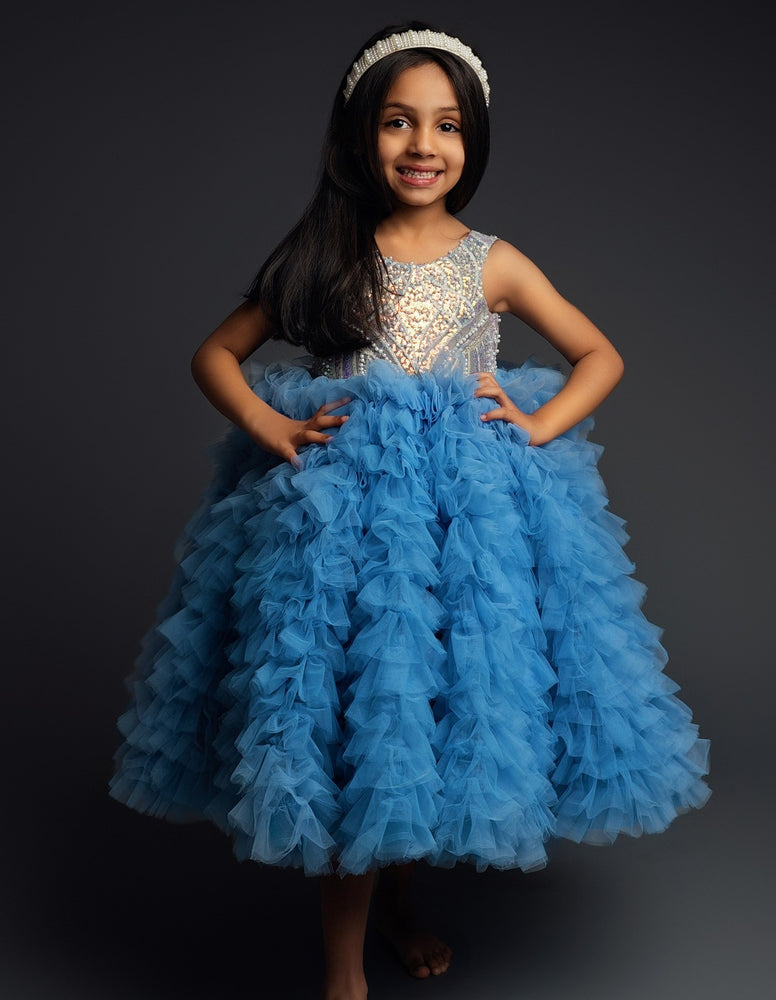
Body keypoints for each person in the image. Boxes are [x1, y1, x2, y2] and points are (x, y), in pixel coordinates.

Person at [109, 22, 711, 1000]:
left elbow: (598, 354)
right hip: (345, 524)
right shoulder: (324, 252)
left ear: (470, 142)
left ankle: (396, 902)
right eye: (397, 123)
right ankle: (343, 974)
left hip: (468, 522)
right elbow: (214, 354)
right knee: (361, 707)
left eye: (444, 126)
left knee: (430, 705)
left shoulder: (492, 262)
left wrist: (535, 422)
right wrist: (270, 426)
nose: (421, 145)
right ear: (358, 138)